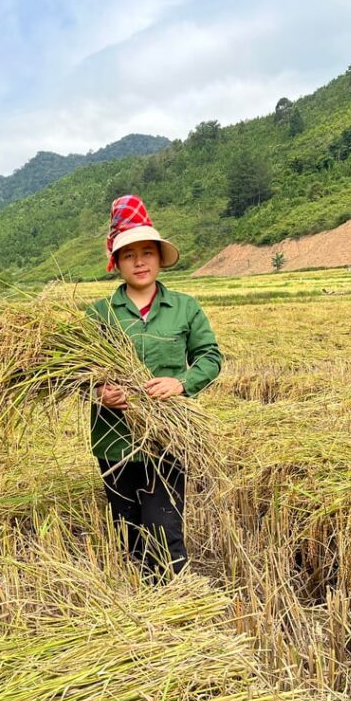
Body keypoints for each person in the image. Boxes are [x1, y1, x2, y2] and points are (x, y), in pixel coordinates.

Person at [88, 195, 223, 580]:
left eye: (147, 252)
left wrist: (180, 383)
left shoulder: (185, 307)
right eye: (129, 255)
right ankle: (143, 601)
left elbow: (211, 358)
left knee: (164, 530)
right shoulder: (99, 315)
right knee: (128, 530)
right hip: (113, 440)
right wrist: (101, 392)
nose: (140, 262)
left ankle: (174, 599)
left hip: (166, 438)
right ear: (117, 263)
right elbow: (77, 374)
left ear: (160, 257)